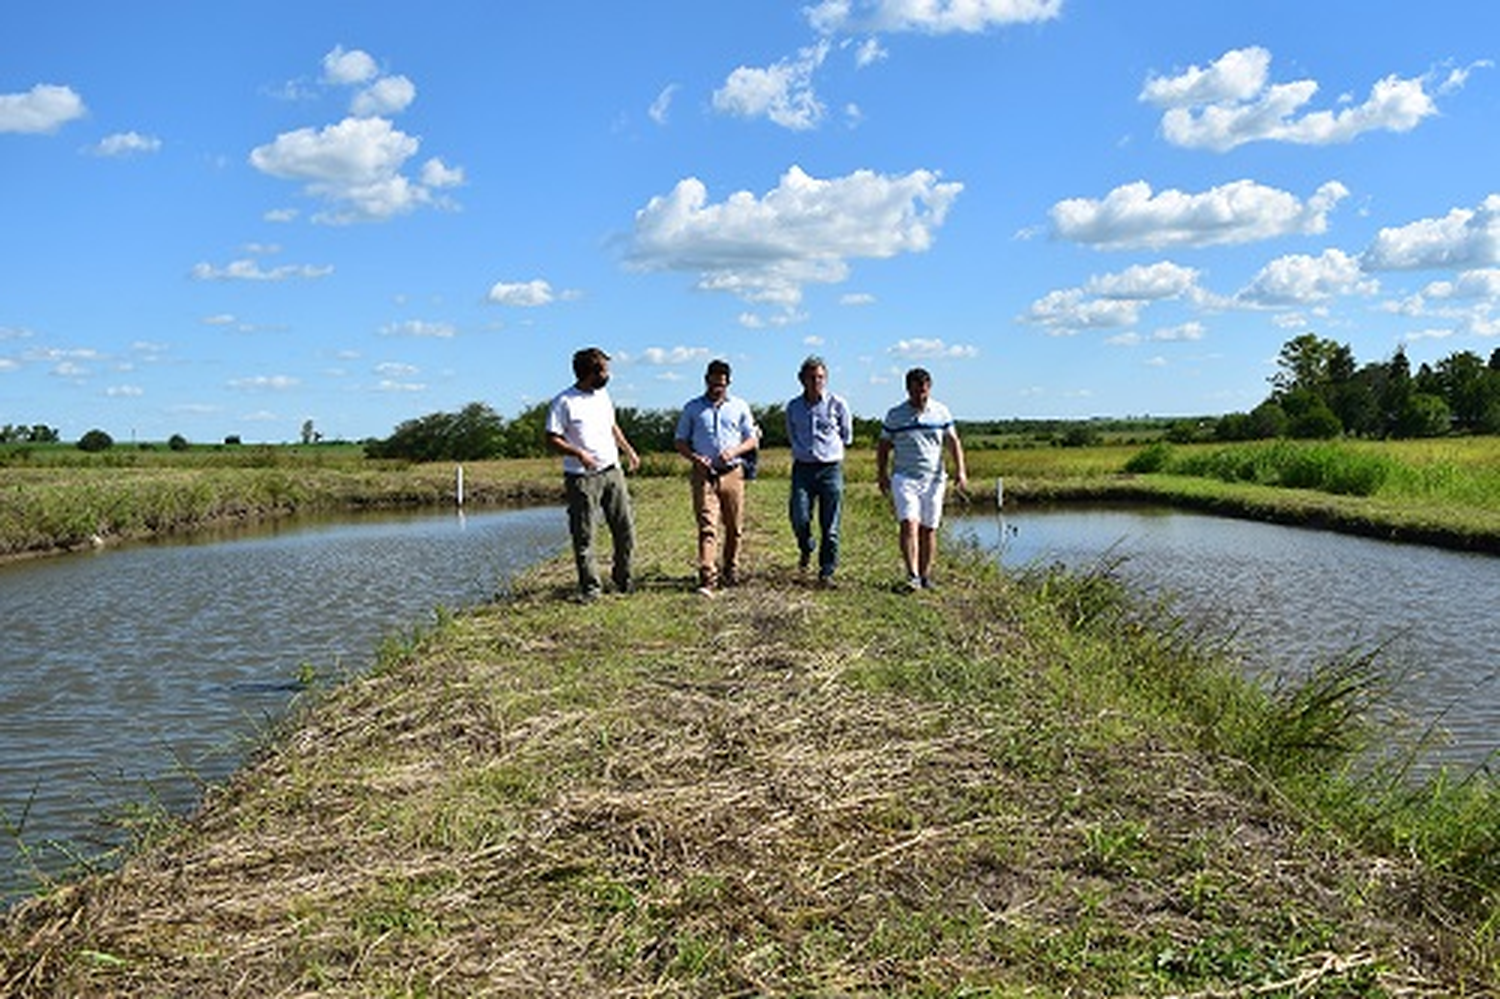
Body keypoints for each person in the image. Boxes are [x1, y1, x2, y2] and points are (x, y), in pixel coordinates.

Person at [545, 347, 640, 602]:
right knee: (585, 535)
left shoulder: (603, 396)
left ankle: (623, 581)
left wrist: (628, 450)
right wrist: (579, 454)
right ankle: (591, 589)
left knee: (625, 530)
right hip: (582, 477)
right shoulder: (563, 401)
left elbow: (612, 426)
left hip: (612, 471)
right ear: (590, 372)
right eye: (605, 370)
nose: (608, 375)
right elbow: (552, 438)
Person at [876, 367, 968, 591]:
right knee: (909, 523)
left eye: (924, 391)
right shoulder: (895, 415)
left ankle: (926, 576)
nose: (920, 396)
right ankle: (912, 575)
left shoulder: (941, 412)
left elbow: (953, 442)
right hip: (904, 477)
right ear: (908, 389)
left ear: (930, 388)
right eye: (916, 391)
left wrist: (961, 471)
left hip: (935, 479)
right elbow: (884, 446)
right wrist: (881, 474)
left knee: (929, 528)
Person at [674, 358, 759, 597]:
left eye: (720, 384)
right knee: (707, 526)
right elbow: (679, 441)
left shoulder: (740, 406)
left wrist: (735, 451)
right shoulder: (692, 408)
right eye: (712, 384)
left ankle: (730, 570)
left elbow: (752, 439)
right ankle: (707, 577)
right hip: (704, 475)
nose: (716, 388)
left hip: (732, 473)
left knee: (734, 527)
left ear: (728, 383)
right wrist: (694, 458)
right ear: (706, 381)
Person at [785, 355, 853, 588]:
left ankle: (826, 572)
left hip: (830, 469)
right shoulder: (793, 407)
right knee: (799, 516)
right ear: (801, 379)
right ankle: (806, 546)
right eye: (812, 377)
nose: (817, 382)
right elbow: (792, 434)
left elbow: (846, 435)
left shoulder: (838, 404)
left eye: (821, 377)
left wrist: (830, 451)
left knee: (830, 526)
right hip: (803, 468)